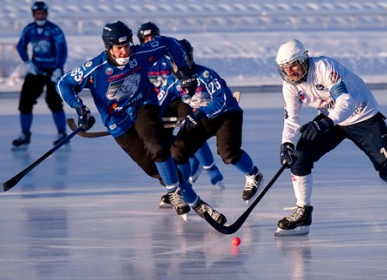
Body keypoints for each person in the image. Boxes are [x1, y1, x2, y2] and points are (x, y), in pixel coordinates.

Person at [274, 39, 387, 236]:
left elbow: (346, 101)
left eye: (294, 66)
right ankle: (303, 212)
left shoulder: (324, 67)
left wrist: (324, 122)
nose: (290, 72)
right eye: (285, 69)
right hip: (332, 120)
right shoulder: (290, 85)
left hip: (363, 116)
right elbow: (291, 119)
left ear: (304, 60)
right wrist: (286, 144)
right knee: (299, 158)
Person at [56, 21, 225, 224]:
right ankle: (196, 202)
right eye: (119, 48)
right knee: (154, 169)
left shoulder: (140, 53)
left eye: (127, 45)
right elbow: (64, 83)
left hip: (144, 106)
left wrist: (183, 73)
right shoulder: (96, 68)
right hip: (118, 122)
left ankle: (176, 194)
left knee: (158, 146)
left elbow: (170, 44)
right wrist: (80, 107)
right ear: (108, 47)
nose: (124, 51)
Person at [161, 38, 263, 204]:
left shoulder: (205, 75)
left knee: (227, 153)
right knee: (177, 150)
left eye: (187, 57)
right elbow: (158, 105)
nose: (185, 63)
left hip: (227, 115)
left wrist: (199, 114)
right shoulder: (171, 83)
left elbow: (222, 100)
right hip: (201, 118)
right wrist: (147, 121)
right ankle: (183, 187)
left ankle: (253, 175)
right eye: (180, 59)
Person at [137, 21, 225, 193]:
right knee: (161, 140)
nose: (150, 41)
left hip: (179, 98)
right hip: (158, 102)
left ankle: (210, 167)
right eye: (147, 38)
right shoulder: (141, 62)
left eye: (153, 37)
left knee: (190, 127)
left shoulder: (167, 56)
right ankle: (179, 182)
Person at [13, 1, 68, 150]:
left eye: (42, 13)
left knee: (54, 102)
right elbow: (21, 46)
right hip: (36, 71)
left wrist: (58, 68)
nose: (40, 16)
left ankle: (62, 133)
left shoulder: (54, 30)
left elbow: (62, 50)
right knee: (25, 102)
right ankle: (25, 134)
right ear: (33, 15)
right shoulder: (29, 29)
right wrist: (27, 62)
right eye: (37, 13)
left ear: (46, 13)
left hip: (53, 72)